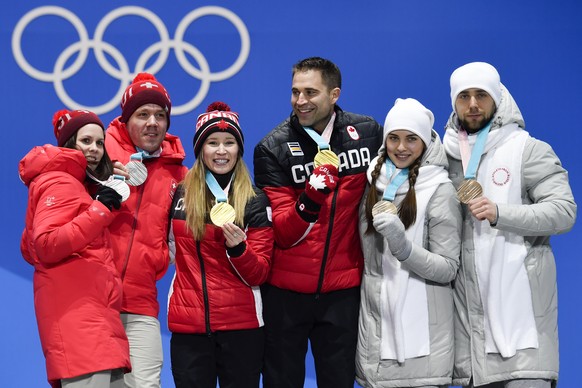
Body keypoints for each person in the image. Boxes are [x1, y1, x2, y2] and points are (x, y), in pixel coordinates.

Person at [442, 62, 577, 388]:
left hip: (525, 335)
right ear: (454, 102)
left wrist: (501, 213)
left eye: (481, 95)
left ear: (497, 98)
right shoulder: (443, 156)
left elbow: (564, 212)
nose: (473, 104)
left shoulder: (527, 150)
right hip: (472, 346)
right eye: (464, 96)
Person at [253, 56, 384, 388]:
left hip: (342, 292)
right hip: (285, 292)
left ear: (334, 94)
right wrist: (311, 196)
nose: (300, 101)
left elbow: (410, 157)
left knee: (338, 381)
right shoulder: (272, 147)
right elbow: (282, 232)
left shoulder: (368, 134)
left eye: (310, 92)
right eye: (295, 92)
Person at [19, 109, 131, 387]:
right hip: (80, 325)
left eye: (99, 142)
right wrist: (101, 209)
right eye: (85, 141)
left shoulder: (72, 183)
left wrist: (100, 195)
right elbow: (45, 245)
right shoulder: (60, 181)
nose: (94, 149)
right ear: (69, 143)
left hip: (91, 321)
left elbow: (29, 244)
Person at [355, 98, 461, 388]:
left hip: (422, 350)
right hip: (376, 343)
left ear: (425, 141)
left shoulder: (440, 189)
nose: (401, 147)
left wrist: (403, 246)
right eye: (394, 138)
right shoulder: (372, 181)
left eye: (411, 139)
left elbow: (448, 268)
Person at [167, 101, 273, 388]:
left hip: (242, 329)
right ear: (201, 149)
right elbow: (167, 250)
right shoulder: (180, 195)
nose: (221, 151)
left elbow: (260, 273)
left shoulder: (254, 200)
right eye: (212, 143)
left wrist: (239, 250)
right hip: (188, 328)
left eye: (229, 142)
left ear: (239, 149)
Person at [105, 72, 187, 388]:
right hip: (93, 299)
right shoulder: (98, 154)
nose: (152, 122)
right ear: (126, 119)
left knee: (145, 385)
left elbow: (180, 234)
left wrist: (159, 256)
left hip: (141, 301)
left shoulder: (179, 173)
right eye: (143, 114)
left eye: (160, 115)